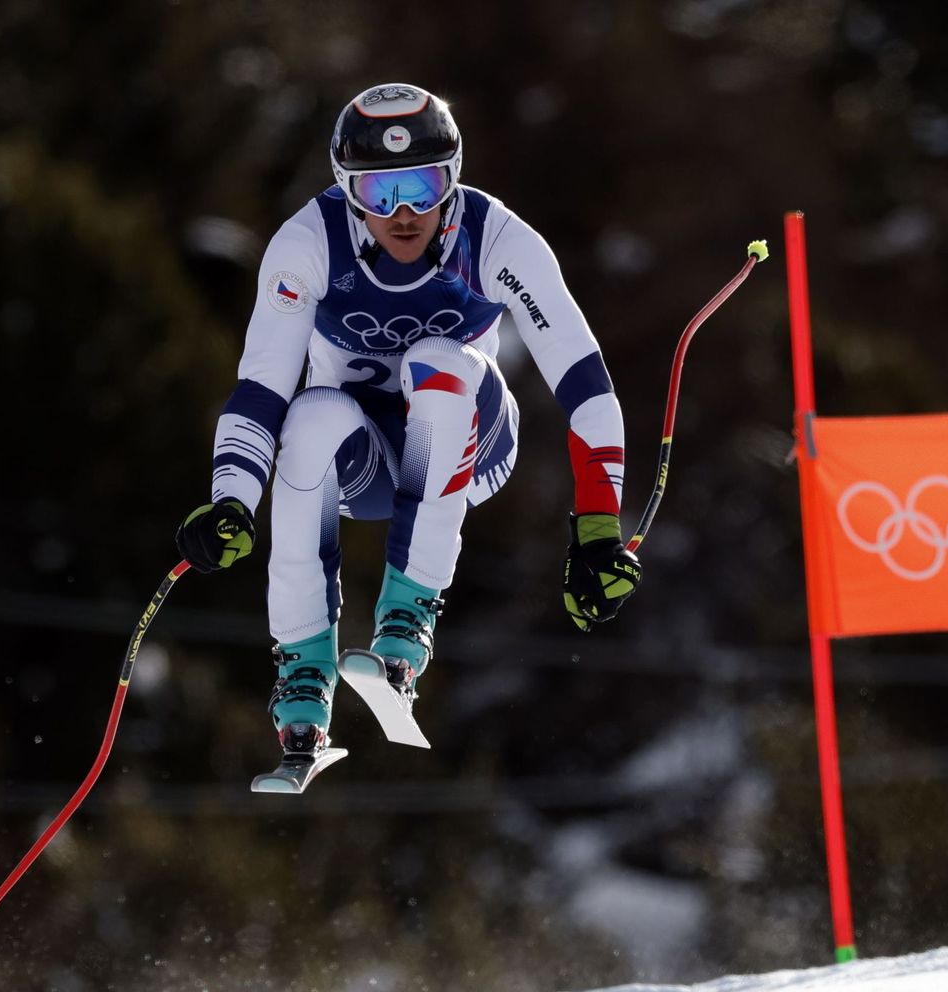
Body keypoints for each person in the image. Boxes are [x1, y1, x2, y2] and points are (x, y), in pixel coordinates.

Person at [176, 82, 641, 776]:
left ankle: (407, 623)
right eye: (378, 190)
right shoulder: (307, 243)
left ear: (453, 179)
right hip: (367, 467)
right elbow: (260, 388)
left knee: (438, 363)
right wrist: (232, 500)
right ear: (346, 189)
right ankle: (303, 675)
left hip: (472, 443)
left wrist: (599, 525)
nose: (402, 214)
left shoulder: (497, 238)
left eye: (422, 187)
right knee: (310, 412)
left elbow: (584, 379)